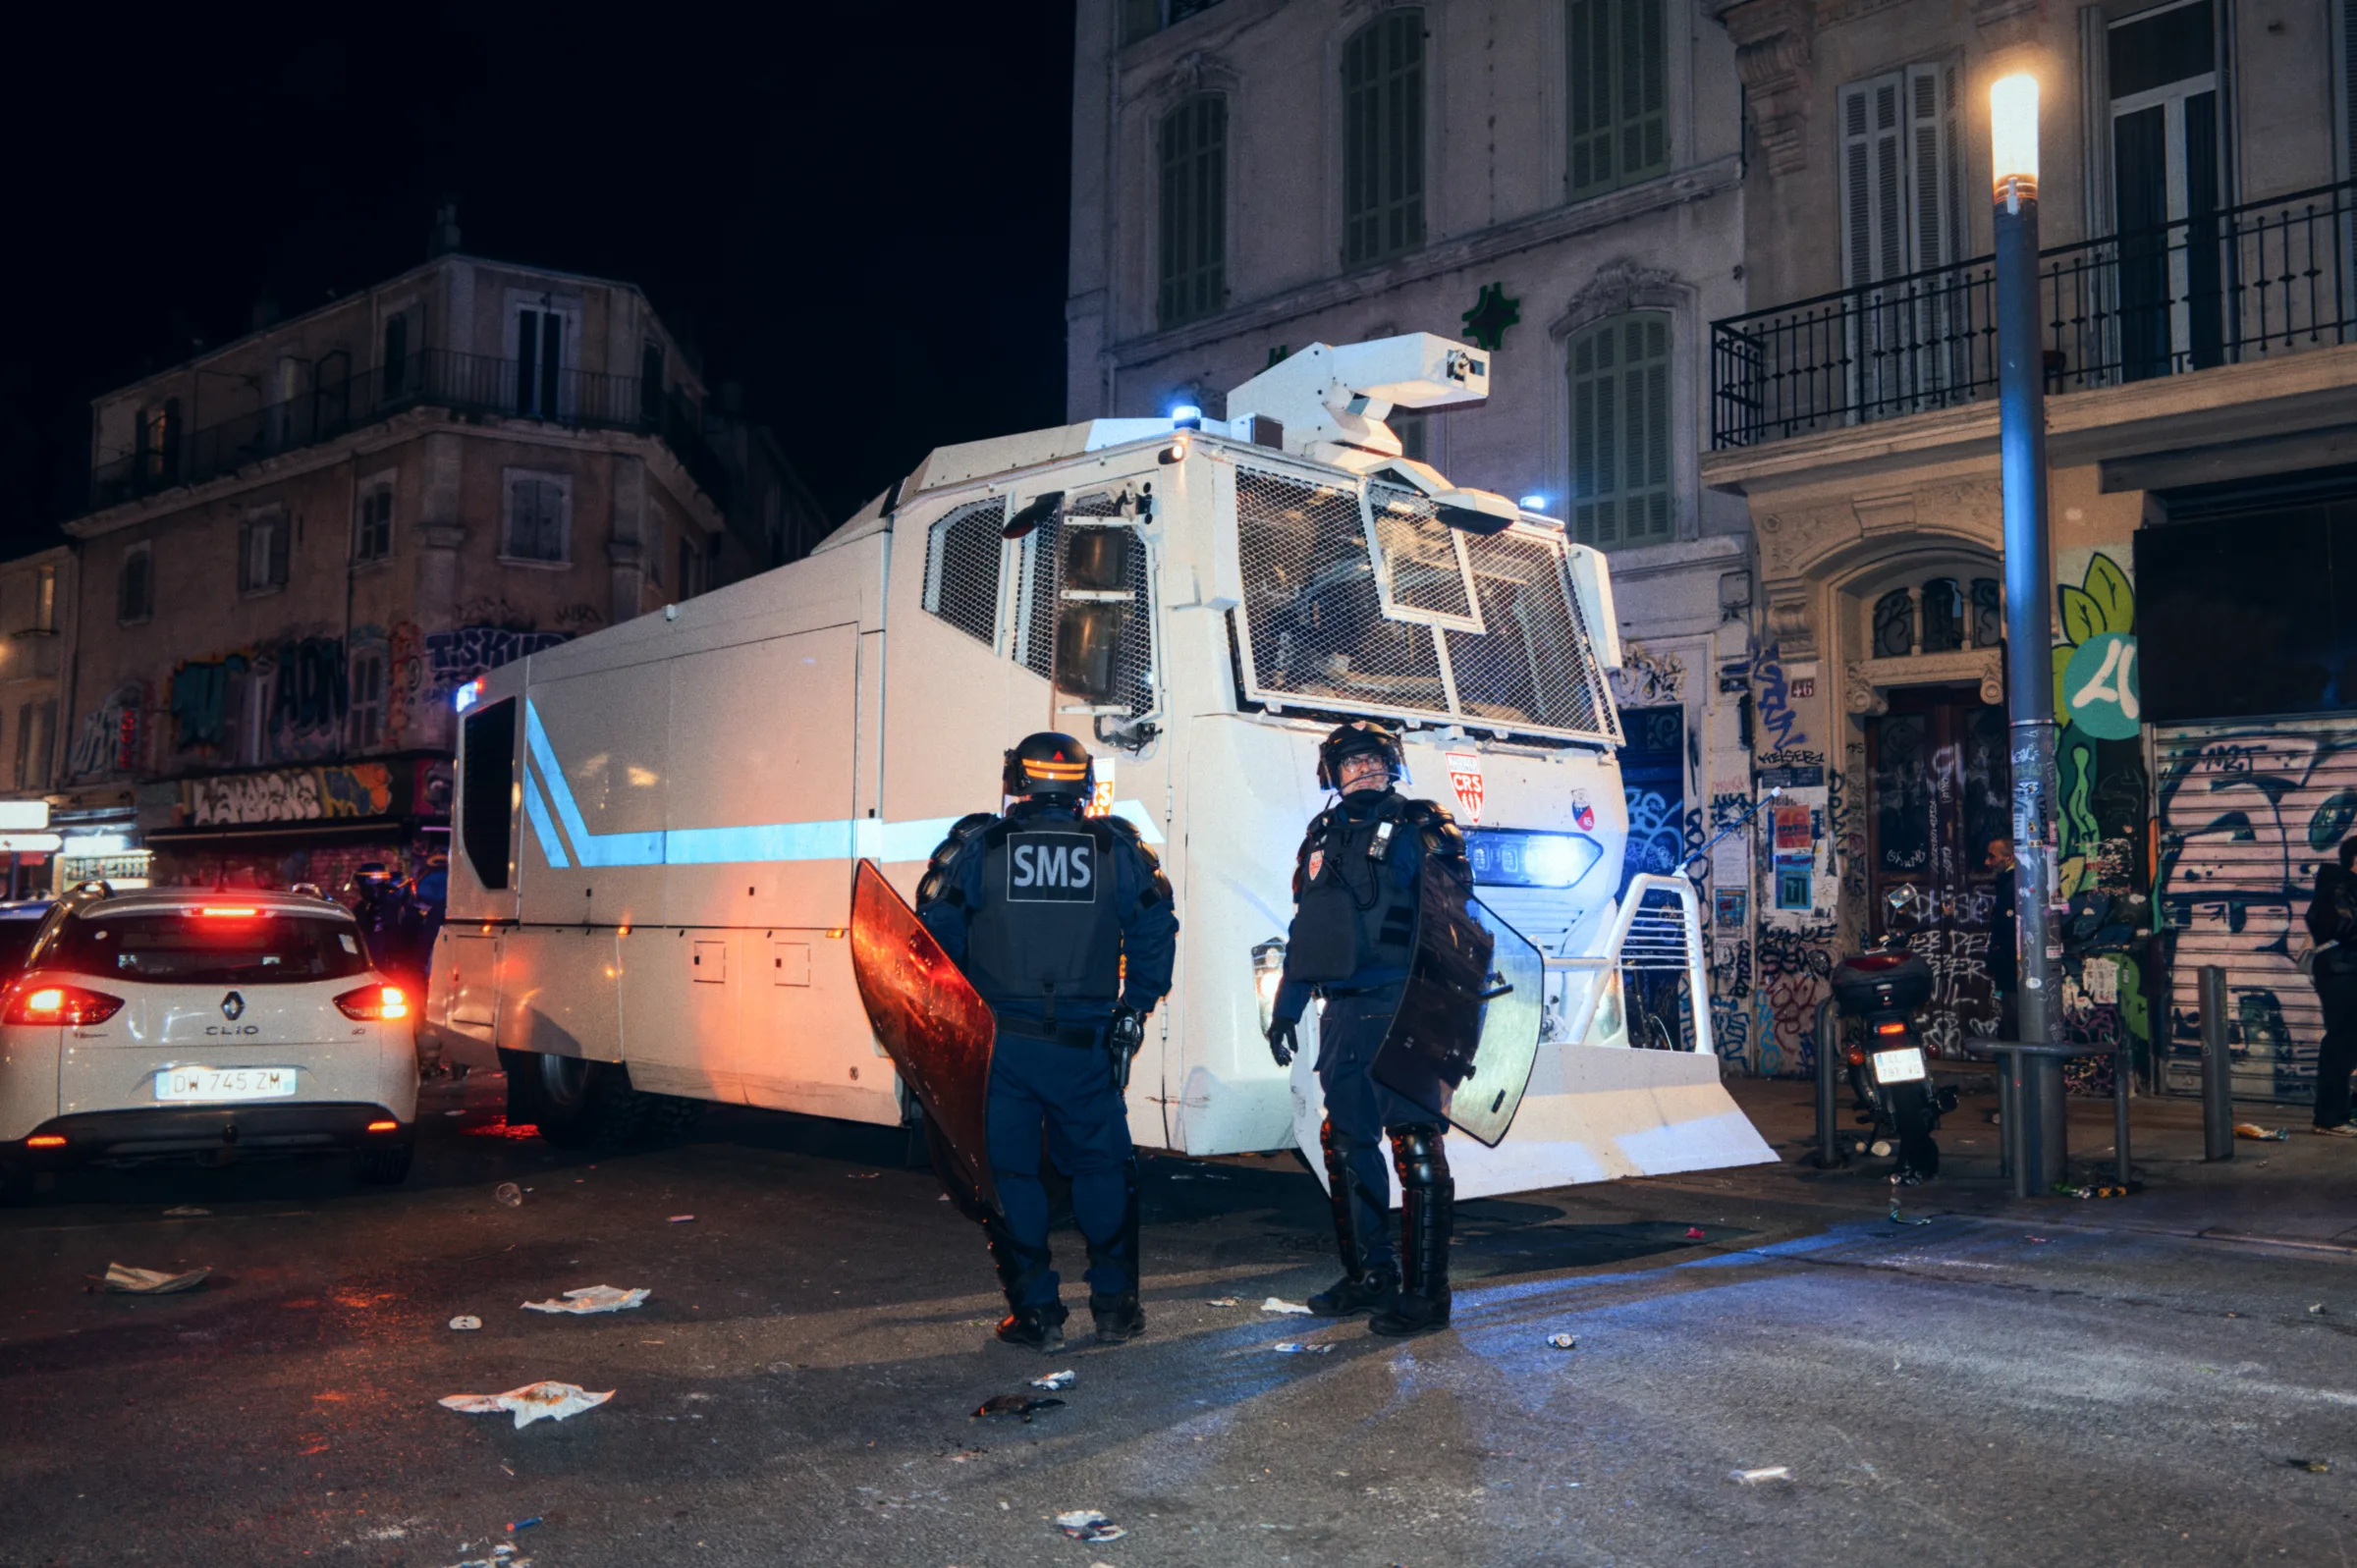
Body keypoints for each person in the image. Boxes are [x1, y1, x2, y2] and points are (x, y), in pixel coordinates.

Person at [916, 732, 1178, 1352]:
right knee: (1102, 1168)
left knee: (1007, 1174)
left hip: (1000, 1046)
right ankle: (1116, 1310)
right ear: (1083, 784)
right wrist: (1133, 1007)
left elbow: (933, 938)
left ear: (1016, 781)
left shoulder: (978, 846)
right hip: (1085, 1044)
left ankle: (1037, 1315)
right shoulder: (1117, 847)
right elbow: (1155, 932)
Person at [1264, 720, 1469, 1338]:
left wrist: (1446, 1014)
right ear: (1332, 773)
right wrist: (1287, 1005)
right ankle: (1370, 1276)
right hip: (1344, 1014)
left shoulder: (1421, 824)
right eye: (1351, 763)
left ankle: (1427, 1296)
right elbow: (1311, 930)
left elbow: (1459, 925)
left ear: (1394, 765)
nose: (1365, 771)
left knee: (1415, 1144)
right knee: (1347, 1145)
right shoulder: (1321, 835)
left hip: (1404, 1007)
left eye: (1374, 761)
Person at [2305, 836, 2357, 1136]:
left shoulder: (2346, 886)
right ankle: (2329, 1118)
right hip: (2341, 974)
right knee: (2341, 1043)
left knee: (2348, 1044)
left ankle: (2340, 1112)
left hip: (2347, 971)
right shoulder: (2337, 887)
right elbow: (2346, 928)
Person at [1986, 838, 2018, 1040]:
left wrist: (1995, 960)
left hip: (2012, 971)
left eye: (1992, 857)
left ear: (2008, 858)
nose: (1987, 863)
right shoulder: (2008, 884)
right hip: (2011, 970)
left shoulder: (2012, 887)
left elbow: (2006, 931)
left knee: (2012, 1027)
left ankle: (2013, 1070)